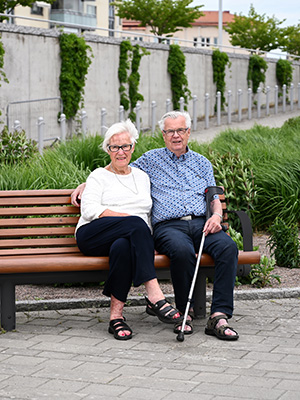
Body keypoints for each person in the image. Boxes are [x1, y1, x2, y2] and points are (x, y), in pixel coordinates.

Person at [72, 111, 239, 341]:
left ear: (188, 132)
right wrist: (86, 184)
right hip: (149, 228)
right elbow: (111, 172)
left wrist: (217, 216)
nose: (176, 136)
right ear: (163, 135)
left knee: (228, 247)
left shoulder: (179, 167)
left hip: (197, 224)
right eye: (170, 131)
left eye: (180, 130)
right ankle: (171, 306)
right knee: (169, 244)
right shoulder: (148, 161)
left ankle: (218, 316)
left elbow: (213, 196)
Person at [75, 119, 182, 341]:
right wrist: (132, 223)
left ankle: (116, 318)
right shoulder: (98, 175)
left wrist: (144, 241)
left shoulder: (142, 177)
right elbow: (89, 209)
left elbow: (148, 216)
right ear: (108, 150)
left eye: (125, 146)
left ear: (133, 148)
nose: (120, 152)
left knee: (123, 248)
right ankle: (155, 295)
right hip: (93, 234)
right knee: (135, 223)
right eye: (114, 147)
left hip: (127, 238)